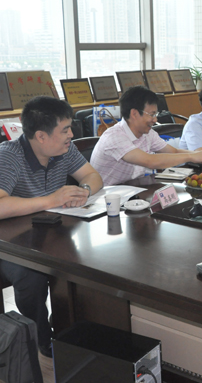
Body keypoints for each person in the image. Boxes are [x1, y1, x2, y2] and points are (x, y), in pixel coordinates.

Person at [0, 96, 104, 357]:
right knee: (31, 277)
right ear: (41, 136)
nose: (71, 134)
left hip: (51, 231)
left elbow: (92, 175)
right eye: (65, 129)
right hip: (11, 242)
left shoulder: (64, 150)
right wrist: (51, 199)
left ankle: (73, 328)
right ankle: (43, 337)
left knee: (87, 263)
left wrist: (84, 190)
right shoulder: (9, 156)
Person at [90, 86, 202, 186]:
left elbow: (174, 151)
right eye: (151, 114)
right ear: (134, 113)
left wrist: (199, 155)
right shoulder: (114, 137)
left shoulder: (147, 132)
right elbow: (150, 161)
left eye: (156, 114)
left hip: (135, 190)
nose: (155, 120)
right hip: (108, 197)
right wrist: (191, 156)